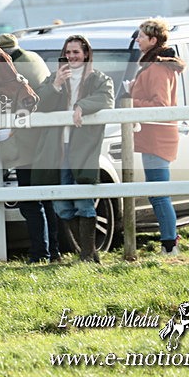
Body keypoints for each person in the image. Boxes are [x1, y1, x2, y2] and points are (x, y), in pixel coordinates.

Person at [31, 34, 114, 263]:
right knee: (62, 204)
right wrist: (56, 84)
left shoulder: (99, 79)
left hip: (82, 147)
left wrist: (81, 106)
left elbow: (106, 99)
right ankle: (86, 252)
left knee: (83, 199)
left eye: (76, 52)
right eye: (68, 52)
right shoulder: (55, 78)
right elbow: (38, 103)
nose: (71, 56)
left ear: (86, 53)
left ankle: (87, 253)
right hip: (57, 148)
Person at [0, 34, 60, 263]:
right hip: (42, 142)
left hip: (26, 142)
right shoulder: (34, 59)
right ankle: (54, 251)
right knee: (45, 199)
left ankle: (40, 252)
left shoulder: (15, 68)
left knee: (31, 202)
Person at [129, 19, 186, 256]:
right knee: (157, 192)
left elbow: (160, 105)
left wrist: (131, 99)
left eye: (141, 36)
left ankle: (170, 243)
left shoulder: (156, 68)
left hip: (156, 137)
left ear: (153, 40)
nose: (138, 40)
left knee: (159, 194)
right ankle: (169, 241)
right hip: (156, 136)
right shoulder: (158, 67)